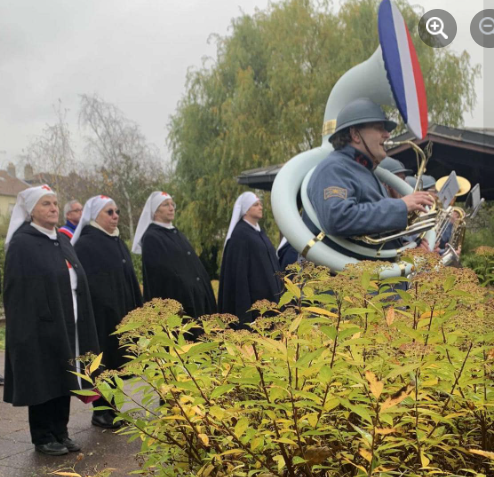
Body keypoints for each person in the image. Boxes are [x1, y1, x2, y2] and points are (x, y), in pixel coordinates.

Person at [2, 185, 99, 455]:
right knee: (43, 379)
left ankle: (61, 432)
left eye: (55, 203)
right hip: (38, 326)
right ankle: (43, 436)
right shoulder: (22, 243)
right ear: (31, 211)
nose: (54, 208)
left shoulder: (61, 240)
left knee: (64, 376)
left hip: (69, 322)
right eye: (46, 204)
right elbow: (16, 291)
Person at [304, 98, 434, 260]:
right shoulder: (334, 168)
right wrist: (400, 206)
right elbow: (337, 217)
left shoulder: (365, 171)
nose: (387, 135)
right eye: (379, 128)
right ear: (355, 135)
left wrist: (410, 247)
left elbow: (373, 233)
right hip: (345, 275)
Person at [72, 195, 143, 429]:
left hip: (119, 313)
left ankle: (113, 409)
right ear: (95, 215)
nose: (115, 216)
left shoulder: (115, 240)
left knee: (115, 362)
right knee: (102, 363)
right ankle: (101, 411)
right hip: (100, 316)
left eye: (117, 212)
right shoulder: (86, 244)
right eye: (109, 212)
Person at [132, 192, 216, 325]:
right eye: (166, 205)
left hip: (196, 300)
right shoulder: (152, 238)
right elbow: (161, 275)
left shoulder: (176, 233)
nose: (171, 208)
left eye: (172, 204)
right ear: (155, 211)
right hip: (179, 304)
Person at [218, 192, 283, 326]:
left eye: (260, 204)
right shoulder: (240, 235)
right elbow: (239, 276)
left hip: (270, 300)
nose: (260, 207)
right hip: (255, 304)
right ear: (246, 209)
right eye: (256, 205)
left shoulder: (259, 233)